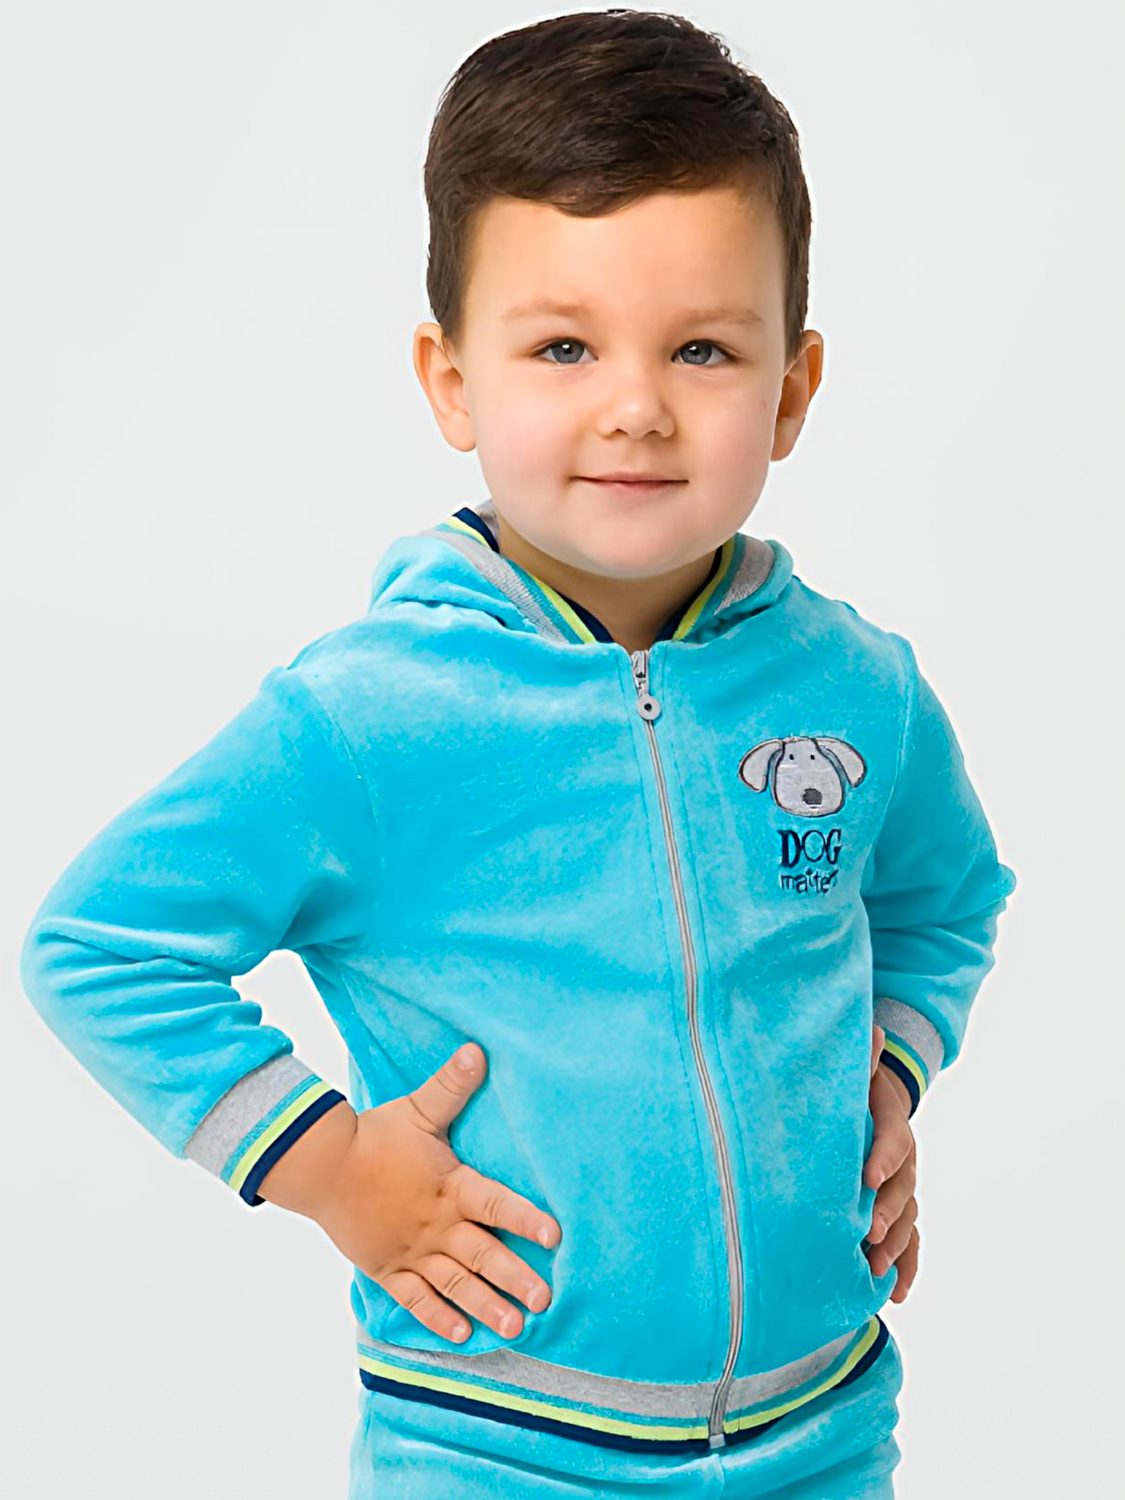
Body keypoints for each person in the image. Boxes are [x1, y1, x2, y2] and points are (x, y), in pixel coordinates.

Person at [19, 11, 1017, 1497]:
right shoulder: (370, 715)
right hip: (491, 1446)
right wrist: (330, 1169)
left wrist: (886, 1067)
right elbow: (98, 943)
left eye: (703, 348)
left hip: (825, 1429)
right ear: (451, 381)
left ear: (793, 390)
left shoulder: (857, 687)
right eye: (562, 347)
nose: (636, 406)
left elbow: (947, 899)